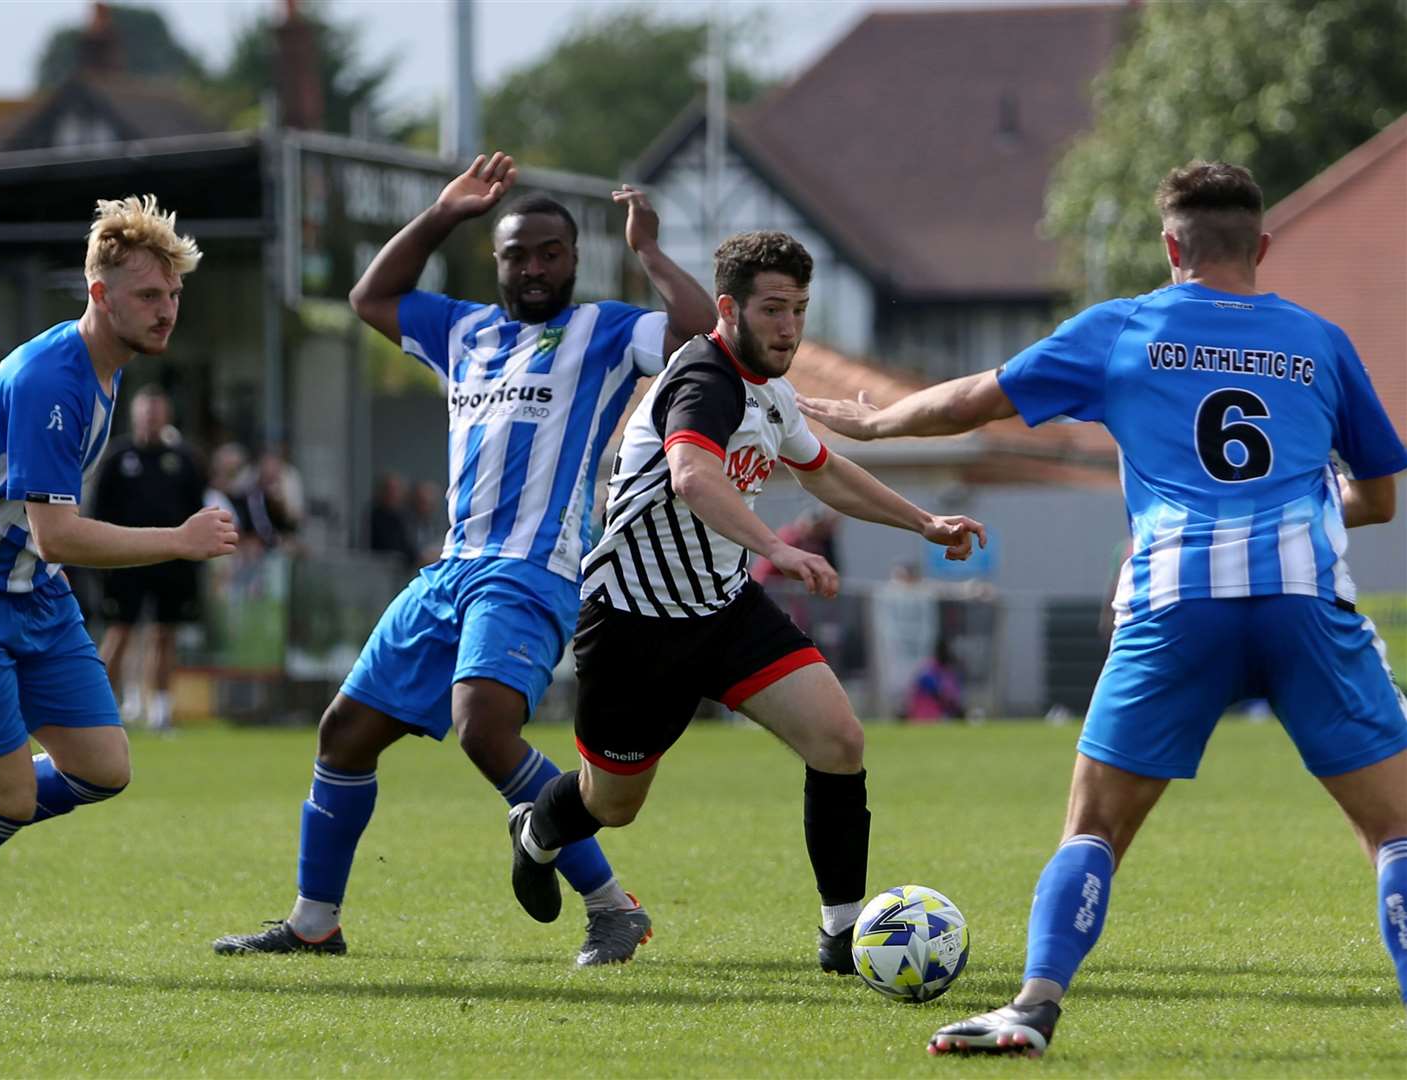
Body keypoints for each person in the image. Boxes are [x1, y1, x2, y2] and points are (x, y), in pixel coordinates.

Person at [798, 161, 1407, 1055]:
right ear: (1261, 246)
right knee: (1392, 829)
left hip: (1175, 600)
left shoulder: (1124, 328)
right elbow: (1379, 498)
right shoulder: (1318, 341)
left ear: (1170, 247)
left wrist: (872, 423)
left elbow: (972, 399)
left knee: (1093, 827)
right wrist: (1299, 509)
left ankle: (1032, 1006)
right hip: (1302, 598)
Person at [212, 152, 717, 965]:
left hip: (532, 568)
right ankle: (314, 924)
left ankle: (611, 905)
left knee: (483, 726)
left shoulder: (606, 330)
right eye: (518, 253)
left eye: (550, 252)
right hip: (450, 570)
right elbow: (369, 297)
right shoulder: (462, 329)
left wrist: (651, 256)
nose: (535, 266)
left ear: (573, 259)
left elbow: (701, 333)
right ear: (497, 260)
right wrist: (444, 212)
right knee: (343, 733)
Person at [507, 230, 986, 974]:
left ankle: (842, 935)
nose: (789, 326)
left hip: (723, 611)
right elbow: (693, 477)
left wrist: (925, 522)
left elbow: (824, 472)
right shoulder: (704, 378)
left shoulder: (771, 389)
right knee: (613, 805)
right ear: (727, 308)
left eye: (798, 308)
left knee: (839, 742)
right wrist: (777, 547)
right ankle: (536, 832)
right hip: (635, 624)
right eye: (772, 309)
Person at [0, 195, 236, 882]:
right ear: (100, 294)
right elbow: (58, 535)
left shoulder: (108, 364)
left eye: (174, 293)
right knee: (8, 794)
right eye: (150, 294)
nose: (167, 309)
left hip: (32, 590)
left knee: (102, 768)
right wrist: (180, 540)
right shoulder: (50, 380)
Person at [91, 385, 208, 732]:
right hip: (125, 559)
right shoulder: (117, 457)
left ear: (166, 417)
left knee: (163, 633)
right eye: (146, 413)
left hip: (172, 560)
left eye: (157, 413)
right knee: (119, 631)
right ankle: (101, 709)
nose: (151, 420)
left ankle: (160, 710)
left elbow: (198, 508)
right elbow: (98, 510)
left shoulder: (184, 460)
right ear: (135, 416)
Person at [367, 472, 417, 566]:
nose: (394, 494)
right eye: (390, 490)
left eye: (397, 490)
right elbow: (390, 545)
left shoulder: (403, 515)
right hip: (382, 567)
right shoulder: (376, 516)